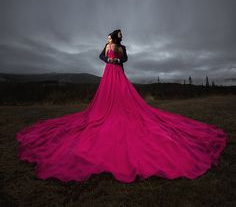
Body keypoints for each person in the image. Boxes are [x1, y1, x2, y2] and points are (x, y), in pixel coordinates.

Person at [16, 30, 229, 183]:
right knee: (109, 96)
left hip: (115, 72)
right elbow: (109, 57)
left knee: (121, 95)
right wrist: (112, 62)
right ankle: (112, 110)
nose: (108, 38)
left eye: (110, 36)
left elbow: (118, 57)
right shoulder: (112, 47)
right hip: (111, 72)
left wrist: (114, 62)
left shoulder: (116, 47)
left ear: (113, 38)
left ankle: (119, 110)